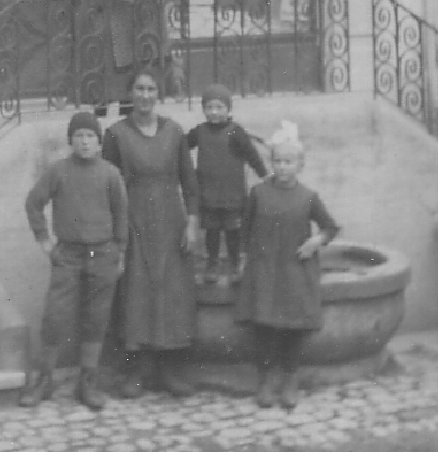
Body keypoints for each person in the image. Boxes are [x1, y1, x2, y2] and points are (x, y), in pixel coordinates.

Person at [19, 110, 128, 411]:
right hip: (68, 254)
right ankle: (44, 379)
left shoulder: (110, 174)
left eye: (90, 136)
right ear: (71, 140)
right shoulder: (59, 171)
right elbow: (33, 203)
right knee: (55, 316)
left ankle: (87, 381)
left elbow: (121, 214)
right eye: (79, 136)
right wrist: (45, 241)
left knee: (96, 318)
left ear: (99, 142)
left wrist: (120, 251)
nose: (84, 142)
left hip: (102, 254)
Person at [102, 68, 199, 399]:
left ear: (159, 94)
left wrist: (192, 223)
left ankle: (169, 371)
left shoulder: (174, 132)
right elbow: (108, 185)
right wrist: (117, 232)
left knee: (172, 294)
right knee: (136, 294)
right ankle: (136, 372)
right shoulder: (116, 135)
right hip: (134, 223)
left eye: (151, 89)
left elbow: (189, 181)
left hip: (171, 224)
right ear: (129, 93)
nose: (145, 95)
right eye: (139, 89)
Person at [233, 122, 339, 411]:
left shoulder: (308, 197)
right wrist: (243, 260)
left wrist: (316, 241)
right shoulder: (258, 193)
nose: (282, 167)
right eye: (277, 161)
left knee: (293, 327)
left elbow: (330, 227)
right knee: (265, 326)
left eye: (288, 162)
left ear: (300, 165)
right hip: (265, 269)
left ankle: (291, 379)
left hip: (295, 271)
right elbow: (245, 229)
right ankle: (266, 380)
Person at [186, 83, 268, 287]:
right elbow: (181, 146)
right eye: (209, 107)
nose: (214, 112)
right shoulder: (199, 132)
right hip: (208, 193)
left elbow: (252, 155)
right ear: (203, 109)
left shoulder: (236, 132)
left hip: (232, 194)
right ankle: (212, 264)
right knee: (212, 231)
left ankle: (234, 264)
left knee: (233, 231)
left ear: (228, 109)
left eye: (219, 107)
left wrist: (265, 175)